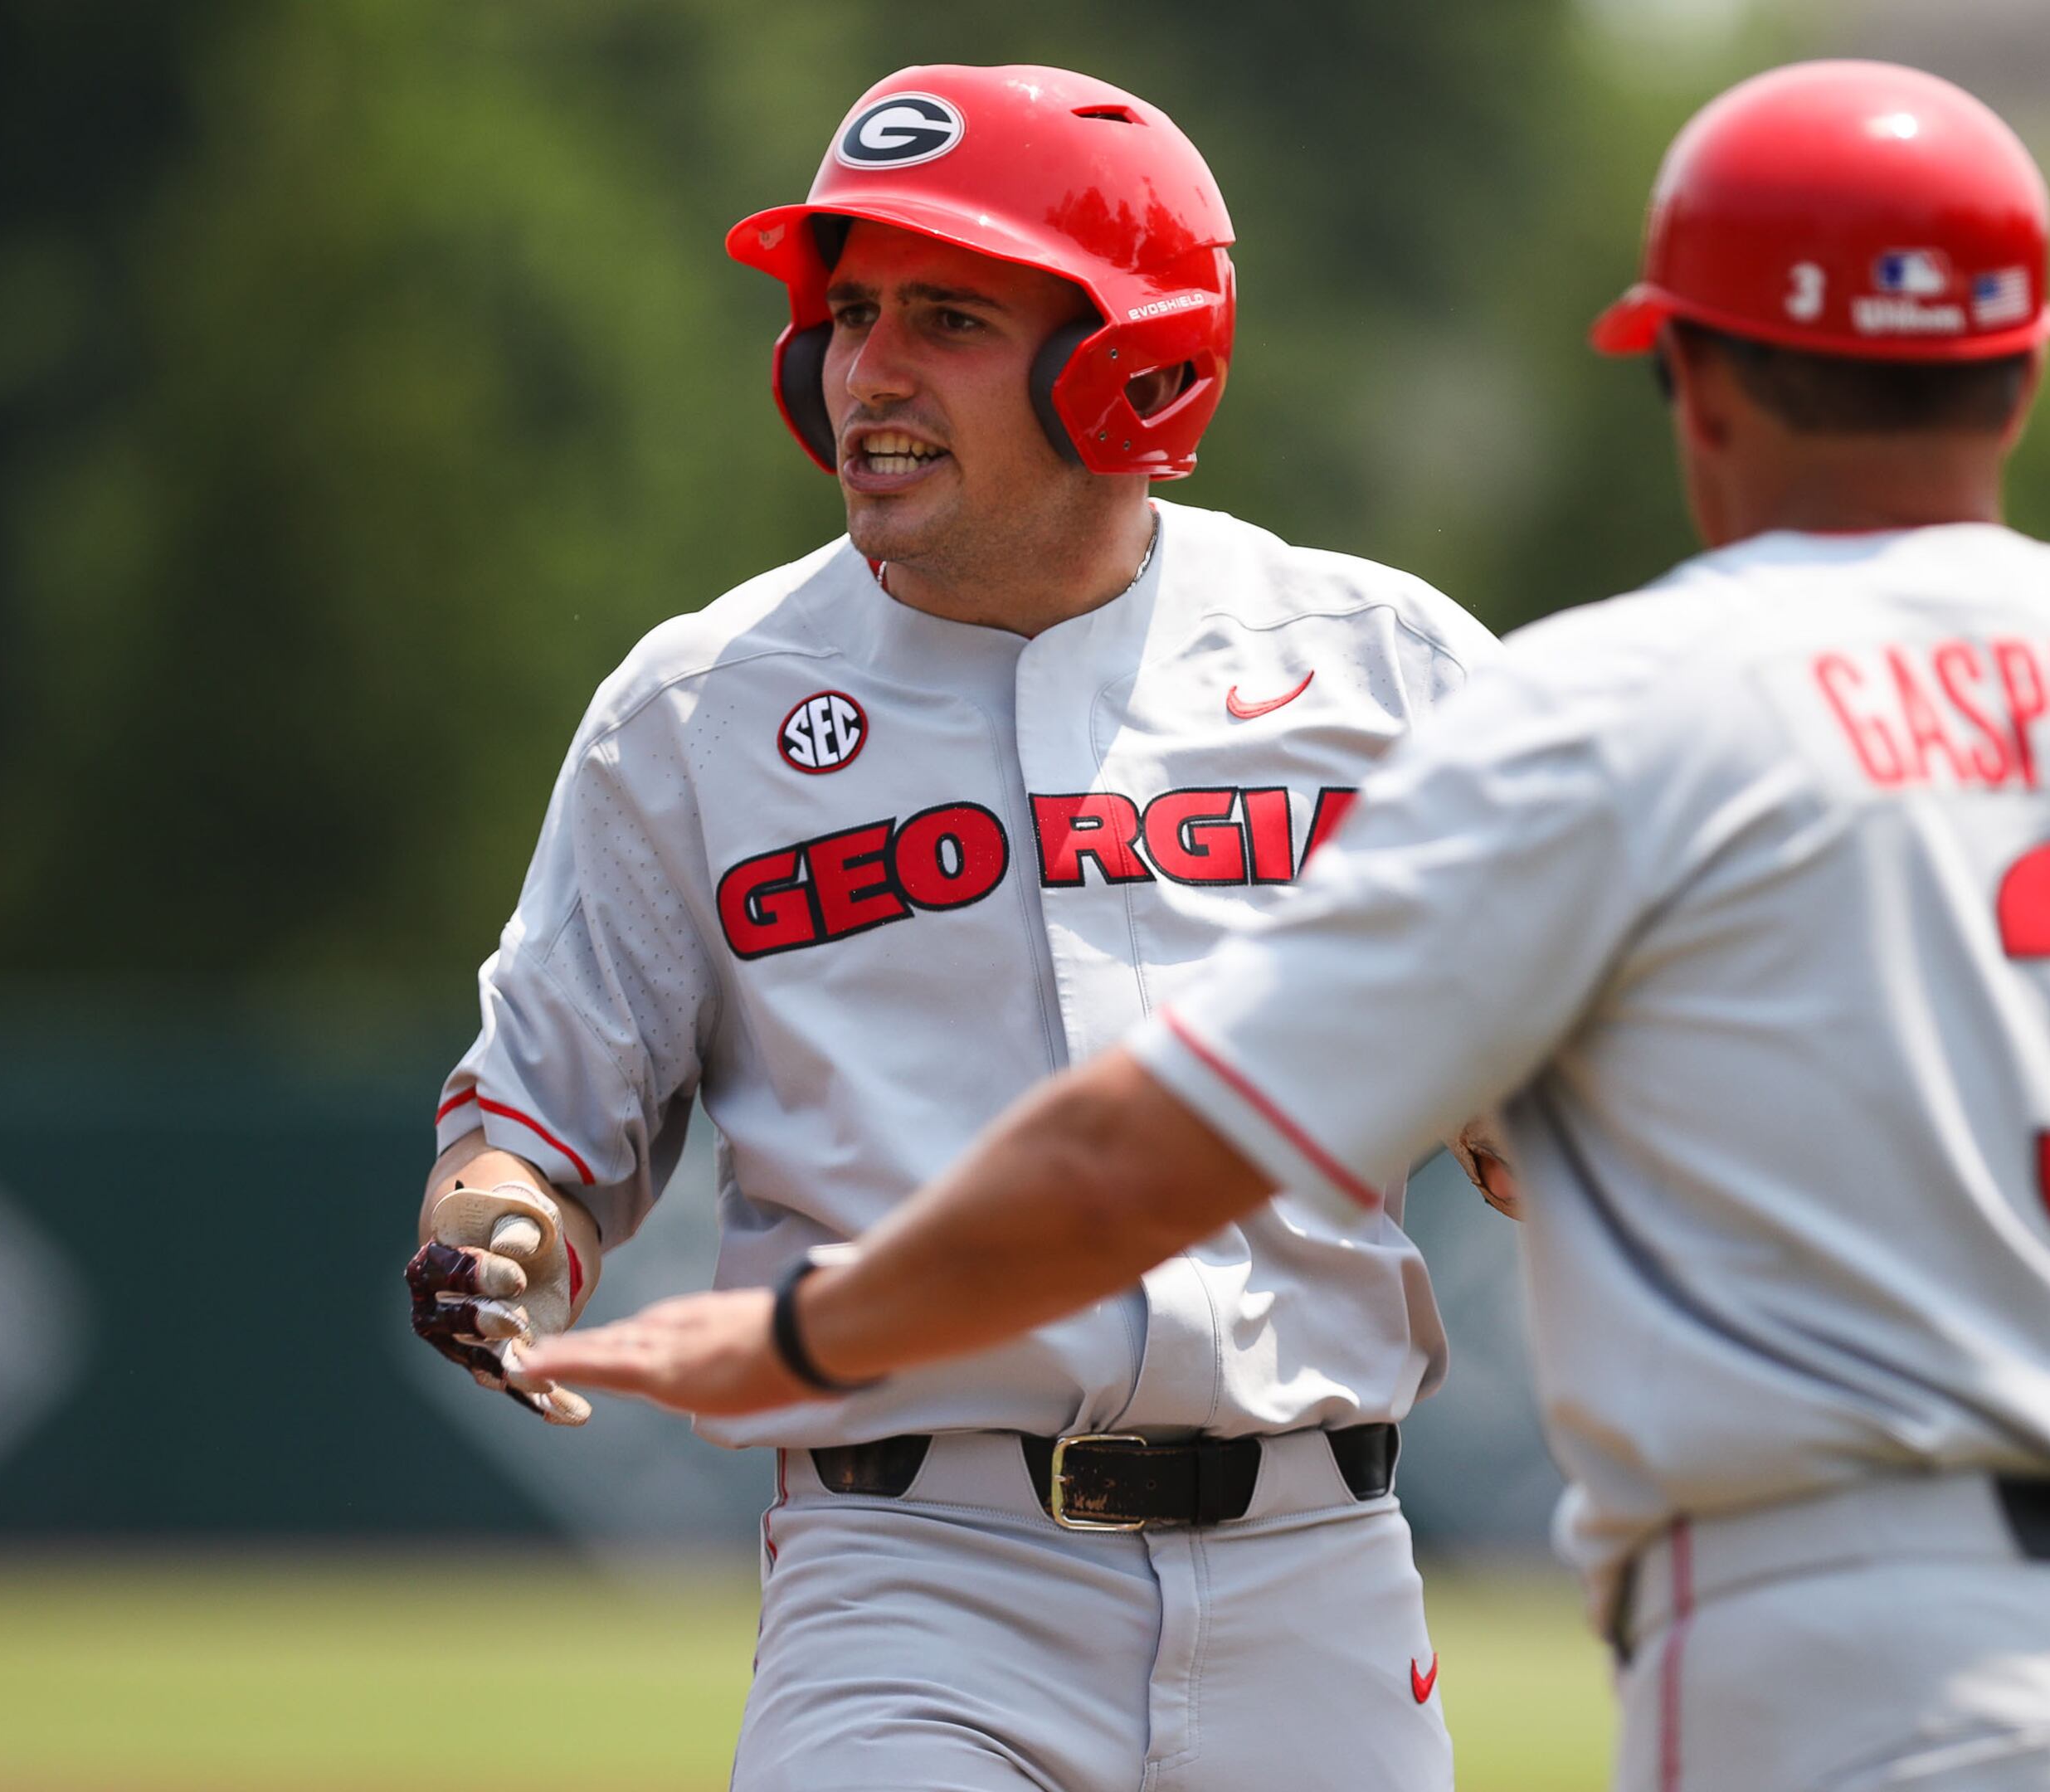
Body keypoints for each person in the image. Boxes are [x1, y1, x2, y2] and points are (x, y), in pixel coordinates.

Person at [513, 60, 2050, 1791]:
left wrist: (787, 1343)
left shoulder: (1617, 717)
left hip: (1824, 1643)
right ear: (2017, 368)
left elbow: (1156, 1154)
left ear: (1694, 382)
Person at [400, 64, 1498, 1792]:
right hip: (916, 1578)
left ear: (1130, 364)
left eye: (953, 316)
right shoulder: (698, 710)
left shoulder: (1391, 669)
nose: (868, 370)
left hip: (1320, 1583)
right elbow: (529, 1130)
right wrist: (496, 1239)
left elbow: (1572, 1091)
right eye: (847, 315)